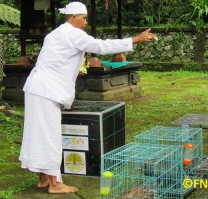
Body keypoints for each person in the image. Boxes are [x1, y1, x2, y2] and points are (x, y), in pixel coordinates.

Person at [19, 1, 157, 194]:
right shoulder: (73, 34)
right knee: (49, 136)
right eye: (83, 18)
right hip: (45, 90)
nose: (85, 22)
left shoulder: (57, 33)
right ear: (74, 17)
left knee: (38, 135)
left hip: (37, 88)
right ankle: (55, 184)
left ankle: (43, 178)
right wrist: (135, 39)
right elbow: (101, 46)